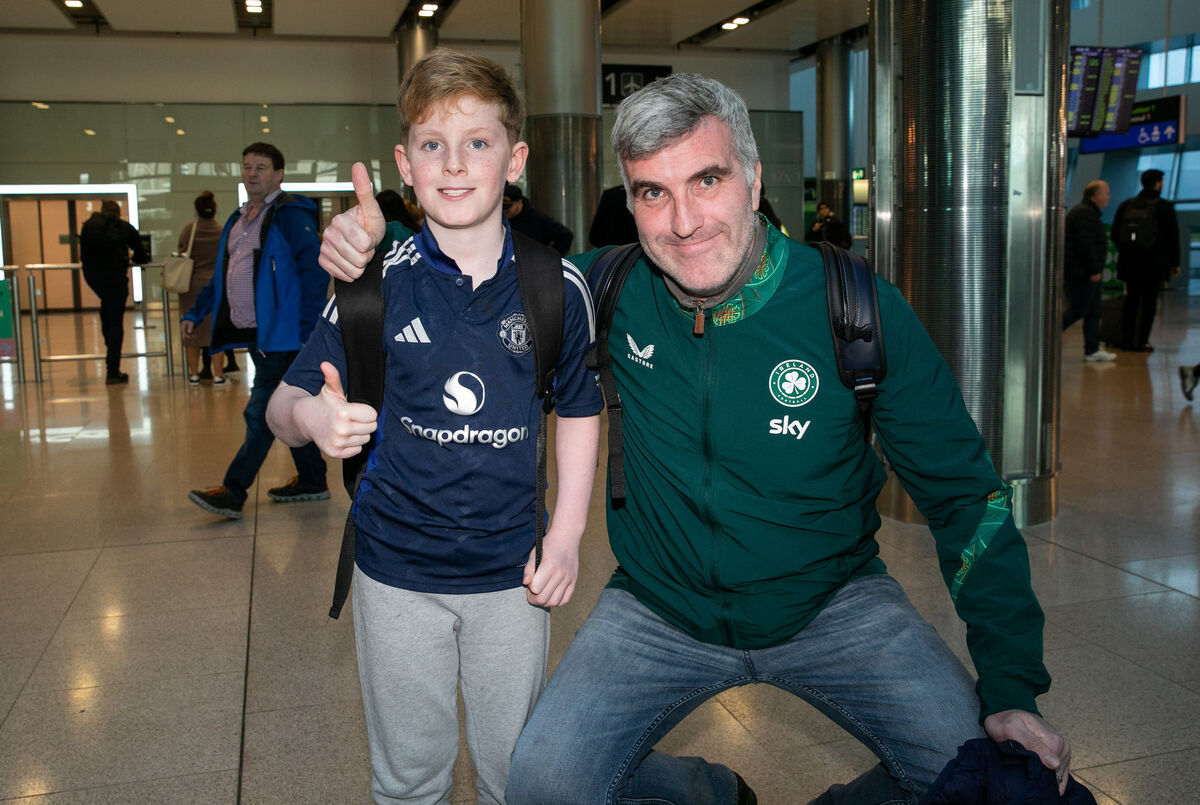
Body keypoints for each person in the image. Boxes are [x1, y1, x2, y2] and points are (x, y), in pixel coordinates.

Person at [318, 73, 1073, 805]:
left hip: (834, 599)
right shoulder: (596, 293)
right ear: (630, 202)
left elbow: (965, 497)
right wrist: (370, 252)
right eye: (653, 193)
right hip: (657, 605)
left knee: (990, 777)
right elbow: (470, 278)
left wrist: (1011, 687)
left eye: (706, 181)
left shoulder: (854, 307)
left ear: (751, 175)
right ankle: (701, 790)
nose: (683, 222)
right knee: (541, 784)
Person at [268, 49, 602, 805]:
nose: (454, 164)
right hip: (395, 575)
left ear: (514, 160)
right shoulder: (372, 289)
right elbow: (278, 410)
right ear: (405, 164)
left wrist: (568, 534)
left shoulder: (556, 286)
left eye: (478, 143)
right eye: (431, 145)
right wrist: (314, 417)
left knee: (512, 770)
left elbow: (578, 405)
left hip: (512, 578)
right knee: (409, 774)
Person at [183, 142, 330, 520]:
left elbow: (313, 273)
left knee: (263, 411)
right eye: (247, 167)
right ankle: (313, 480)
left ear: (279, 174)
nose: (252, 174)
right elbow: (222, 277)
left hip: (284, 335)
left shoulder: (290, 215)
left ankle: (234, 490)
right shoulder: (238, 219)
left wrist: (306, 330)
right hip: (255, 333)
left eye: (261, 167)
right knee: (288, 407)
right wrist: (198, 313)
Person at [78, 199, 149, 385]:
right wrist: (133, 257)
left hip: (92, 277)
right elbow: (142, 255)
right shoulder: (124, 227)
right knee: (116, 321)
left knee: (107, 305)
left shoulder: (89, 226)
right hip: (115, 278)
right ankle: (112, 371)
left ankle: (109, 342)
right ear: (118, 212)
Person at [1111, 168, 1181, 352]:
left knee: (1131, 301)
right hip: (1154, 263)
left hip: (1130, 263)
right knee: (1149, 302)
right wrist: (1174, 263)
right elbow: (1172, 237)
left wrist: (1129, 251)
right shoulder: (1164, 207)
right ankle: (1143, 340)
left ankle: (1127, 340)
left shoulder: (1127, 205)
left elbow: (1115, 234)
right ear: (1158, 183)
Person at [177, 191, 228, 384]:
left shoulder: (189, 230)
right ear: (214, 211)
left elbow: (182, 251)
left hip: (191, 286)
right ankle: (218, 375)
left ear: (196, 211)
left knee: (192, 332)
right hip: (216, 287)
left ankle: (193, 374)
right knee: (216, 331)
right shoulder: (222, 230)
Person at [1061, 180, 1116, 362]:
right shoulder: (1085, 214)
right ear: (1095, 195)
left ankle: (1092, 349)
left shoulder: (1087, 213)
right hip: (1083, 273)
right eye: (1106, 192)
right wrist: (1093, 270)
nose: (1108, 196)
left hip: (1086, 272)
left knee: (1093, 311)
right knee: (1078, 310)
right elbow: (1085, 245)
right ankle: (1048, 334)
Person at [503, 183, 574, 256]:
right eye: (503, 207)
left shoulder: (537, 219)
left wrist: (550, 258)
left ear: (519, 202)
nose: (505, 210)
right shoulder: (502, 220)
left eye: (508, 207)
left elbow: (566, 235)